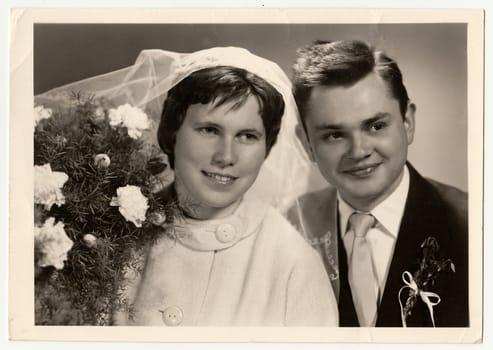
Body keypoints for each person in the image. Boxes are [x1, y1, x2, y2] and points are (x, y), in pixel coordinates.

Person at [101, 47, 338, 326]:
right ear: (172, 131)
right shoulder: (112, 239)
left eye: (247, 136)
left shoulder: (294, 265)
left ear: (267, 147)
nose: (226, 156)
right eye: (209, 130)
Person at [288, 40, 468, 327]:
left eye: (376, 126)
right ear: (306, 143)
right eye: (334, 135)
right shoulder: (289, 228)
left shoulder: (474, 224)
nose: (359, 151)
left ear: (407, 122)